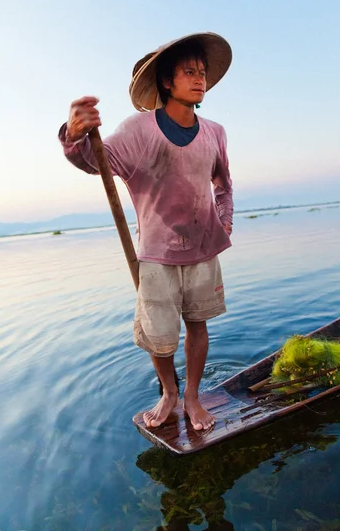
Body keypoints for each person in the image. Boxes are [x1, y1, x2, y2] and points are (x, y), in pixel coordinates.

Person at [59, 32, 233, 431]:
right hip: (156, 252)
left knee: (198, 325)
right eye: (189, 72)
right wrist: (73, 135)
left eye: (202, 72)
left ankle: (191, 395)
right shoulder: (139, 129)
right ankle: (169, 393)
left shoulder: (215, 132)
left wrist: (225, 222)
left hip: (204, 249)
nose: (199, 78)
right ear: (167, 82)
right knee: (159, 336)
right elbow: (95, 160)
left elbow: (223, 184)